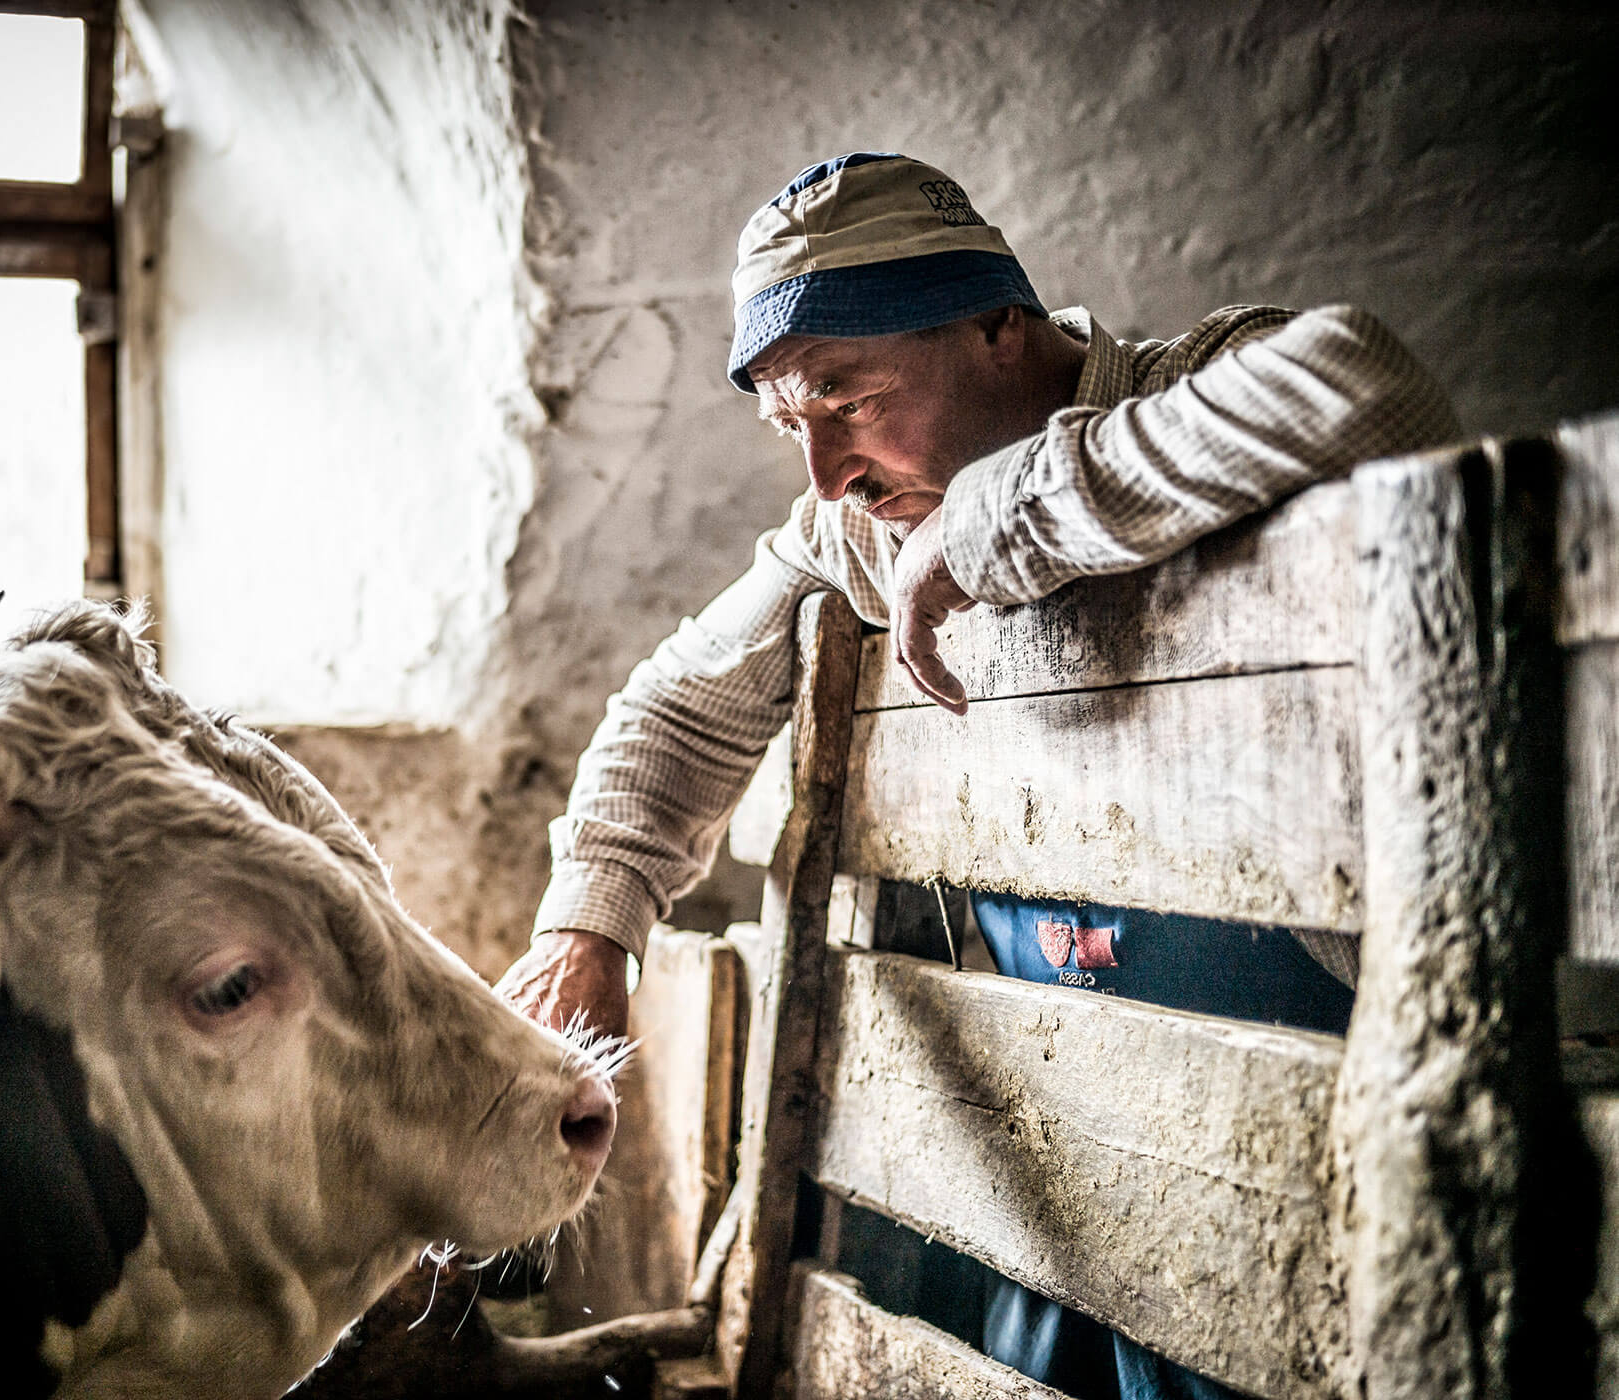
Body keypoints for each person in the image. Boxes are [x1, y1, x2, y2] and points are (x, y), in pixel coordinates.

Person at [495, 151, 1460, 1399]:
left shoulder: (1194, 384)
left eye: (846, 392)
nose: (827, 469)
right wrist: (591, 925)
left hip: (1310, 1157)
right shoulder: (853, 525)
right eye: (793, 422)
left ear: (1001, 324)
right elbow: (680, 704)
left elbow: (1365, 391)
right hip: (1064, 1180)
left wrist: (996, 516)